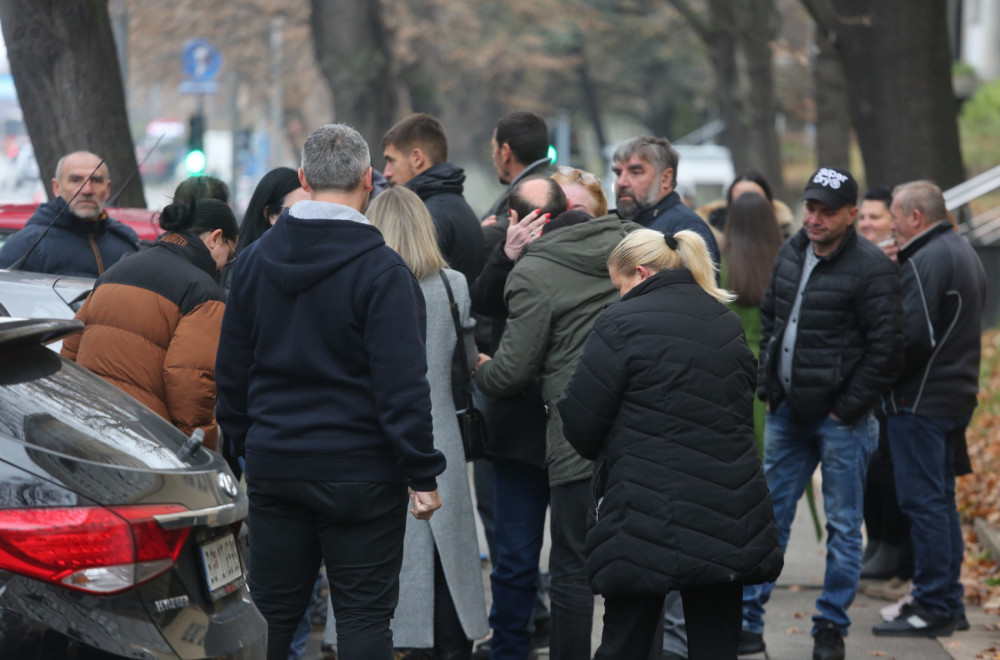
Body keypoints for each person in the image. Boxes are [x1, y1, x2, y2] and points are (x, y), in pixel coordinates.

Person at [215, 124, 446, 660]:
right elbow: (402, 384)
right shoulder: (383, 271)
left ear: (303, 178)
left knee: (270, 614)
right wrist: (421, 472)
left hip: (277, 463)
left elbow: (232, 371)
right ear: (369, 180)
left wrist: (249, 444)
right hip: (362, 471)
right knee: (364, 618)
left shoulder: (252, 263)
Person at [558, 228, 783, 660]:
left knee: (627, 641)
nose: (619, 296)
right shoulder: (723, 321)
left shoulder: (618, 323)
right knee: (716, 644)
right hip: (726, 509)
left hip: (645, 510)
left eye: (620, 286)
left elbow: (581, 421)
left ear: (640, 273)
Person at [740, 167, 903, 660]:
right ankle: (747, 619)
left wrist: (845, 410)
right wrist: (771, 385)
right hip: (788, 413)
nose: (813, 217)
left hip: (841, 423)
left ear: (851, 215)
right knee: (769, 520)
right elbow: (771, 317)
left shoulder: (872, 268)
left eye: (826, 211)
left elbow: (888, 351)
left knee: (844, 527)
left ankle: (829, 627)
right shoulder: (791, 252)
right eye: (809, 207)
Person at [474, 175, 633, 660]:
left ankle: (513, 650)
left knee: (553, 565)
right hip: (617, 431)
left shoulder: (536, 270)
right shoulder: (627, 246)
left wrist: (478, 366)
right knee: (615, 560)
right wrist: (504, 257)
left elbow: (509, 370)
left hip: (558, 433)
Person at [365, 186, 488, 658]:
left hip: (376, 436)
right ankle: (450, 647)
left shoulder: (363, 282)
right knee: (448, 560)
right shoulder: (453, 284)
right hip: (441, 436)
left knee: (380, 557)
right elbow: (468, 357)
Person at [872, 180, 986, 638]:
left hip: (919, 401)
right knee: (939, 504)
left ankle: (934, 604)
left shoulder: (925, 259)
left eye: (895, 217)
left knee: (925, 505)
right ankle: (947, 602)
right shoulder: (960, 250)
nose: (890, 226)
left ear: (915, 218)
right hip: (953, 396)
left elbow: (911, 338)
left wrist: (880, 381)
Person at [61, 199, 237, 451]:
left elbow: (70, 348)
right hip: (146, 441)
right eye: (229, 255)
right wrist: (202, 453)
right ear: (215, 238)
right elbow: (191, 386)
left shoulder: (115, 271)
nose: (223, 266)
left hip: (88, 425)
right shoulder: (205, 293)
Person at [855, 186, 912, 598]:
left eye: (875, 217)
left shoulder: (899, 263)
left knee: (890, 475)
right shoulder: (859, 259)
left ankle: (892, 552)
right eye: (863, 218)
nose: (867, 225)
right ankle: (876, 545)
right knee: (870, 473)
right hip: (863, 385)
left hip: (897, 388)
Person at [381, 113, 485, 283]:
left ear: (417, 159)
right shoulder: (452, 204)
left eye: (391, 161)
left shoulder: (429, 216)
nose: (386, 173)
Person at [0, 151, 138, 276]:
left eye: (96, 180)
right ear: (56, 187)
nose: (87, 190)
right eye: (76, 180)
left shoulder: (127, 241)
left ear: (107, 189)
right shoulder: (28, 244)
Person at [721, 192, 784, 455]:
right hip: (779, 365)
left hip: (735, 366)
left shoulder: (723, 267)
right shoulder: (785, 262)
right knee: (782, 453)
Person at [611, 136, 719, 267]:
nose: (621, 182)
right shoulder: (616, 225)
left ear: (665, 179)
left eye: (635, 172)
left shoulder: (687, 228)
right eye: (618, 173)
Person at [481, 111, 554, 252]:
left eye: (494, 148)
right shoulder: (555, 182)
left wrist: (476, 233)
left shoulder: (528, 194)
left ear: (505, 152)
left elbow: (493, 239)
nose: (492, 155)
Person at [236, 167, 311, 251]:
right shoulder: (247, 261)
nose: (309, 217)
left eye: (312, 209)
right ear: (271, 215)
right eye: (300, 209)